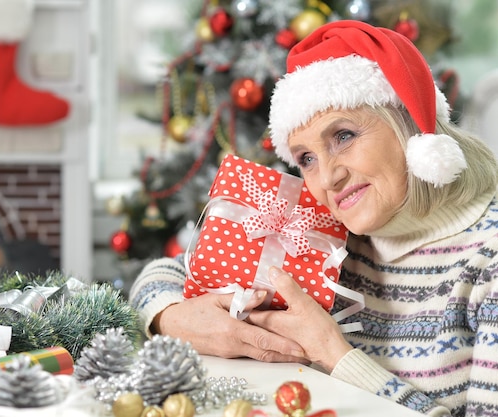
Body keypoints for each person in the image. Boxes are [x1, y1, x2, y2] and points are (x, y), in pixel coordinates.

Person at [129, 20, 498, 417]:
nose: (327, 179)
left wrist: (334, 354)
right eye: (306, 158)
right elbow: (164, 273)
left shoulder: (487, 260)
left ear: (410, 123)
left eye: (343, 136)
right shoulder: (322, 232)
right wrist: (170, 317)